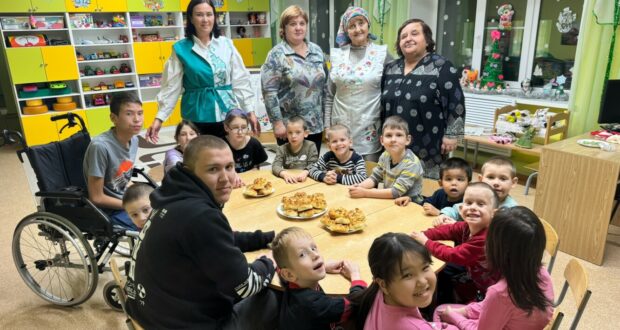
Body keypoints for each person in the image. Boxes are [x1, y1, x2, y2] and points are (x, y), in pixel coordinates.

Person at [125, 136, 278, 329]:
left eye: (229, 167)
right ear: (191, 171)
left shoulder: (174, 196)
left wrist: (264, 238)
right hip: (175, 323)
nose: (225, 178)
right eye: (213, 169)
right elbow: (245, 286)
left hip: (148, 311)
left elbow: (217, 241)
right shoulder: (200, 216)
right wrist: (270, 262)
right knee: (275, 297)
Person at [145, 0, 259, 143]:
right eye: (199, 15)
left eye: (209, 14)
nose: (205, 20)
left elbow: (240, 80)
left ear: (214, 17)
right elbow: (171, 87)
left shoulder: (226, 44)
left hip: (227, 112)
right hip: (196, 114)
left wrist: (250, 111)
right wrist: (159, 118)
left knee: (227, 154)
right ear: (191, 19)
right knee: (200, 157)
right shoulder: (180, 49)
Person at [434, 207, 554, 329]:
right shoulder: (541, 272)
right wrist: (466, 311)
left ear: (497, 249)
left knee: (439, 312)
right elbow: (496, 307)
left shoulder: (499, 293)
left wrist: (454, 317)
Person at [381, 18, 465, 179]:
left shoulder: (442, 66)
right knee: (395, 187)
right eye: (403, 36)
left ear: (427, 40)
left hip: (428, 144)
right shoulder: (390, 68)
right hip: (394, 143)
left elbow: (456, 102)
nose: (408, 38)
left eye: (414, 33)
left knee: (424, 193)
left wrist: (452, 135)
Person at [411, 182, 501, 305]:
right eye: (468, 203)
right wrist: (424, 234)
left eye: (481, 204)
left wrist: (425, 242)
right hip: (478, 280)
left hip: (493, 290)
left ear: (493, 213)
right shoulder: (467, 226)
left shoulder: (485, 238)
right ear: (461, 208)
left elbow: (453, 255)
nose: (473, 207)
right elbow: (448, 230)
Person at [324, 6, 392, 162]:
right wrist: (327, 127)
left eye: (361, 23)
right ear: (346, 30)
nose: (357, 29)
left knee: (367, 177)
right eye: (352, 26)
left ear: (368, 25)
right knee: (341, 175)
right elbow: (329, 95)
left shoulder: (382, 54)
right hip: (340, 129)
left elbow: (394, 88)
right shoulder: (337, 56)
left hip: (369, 127)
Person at [350, 233, 457, 330]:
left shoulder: (378, 293)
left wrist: (355, 277)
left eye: (425, 267)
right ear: (384, 285)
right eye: (407, 275)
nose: (423, 282)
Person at [261, 5, 327, 153]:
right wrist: (277, 123)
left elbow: (325, 86)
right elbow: (269, 92)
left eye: (302, 23)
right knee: (291, 169)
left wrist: (326, 121)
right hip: (289, 128)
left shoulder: (316, 51)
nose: (298, 28)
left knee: (312, 167)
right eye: (293, 24)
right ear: (284, 28)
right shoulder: (276, 54)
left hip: (315, 125)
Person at [271, 227, 367, 329]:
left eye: (313, 248)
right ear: (289, 275)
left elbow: (279, 269)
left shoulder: (290, 282)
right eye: (302, 254)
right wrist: (355, 275)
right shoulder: (315, 304)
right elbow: (356, 305)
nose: (315, 255)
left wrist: (323, 266)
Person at [83, 92, 143, 231]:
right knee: (155, 227)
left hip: (124, 199)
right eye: (129, 114)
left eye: (140, 113)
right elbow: (96, 198)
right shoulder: (100, 147)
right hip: (108, 209)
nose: (137, 119)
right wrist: (131, 205)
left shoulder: (134, 140)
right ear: (113, 118)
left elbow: (122, 176)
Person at [348, 116, 424, 204]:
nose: (393, 139)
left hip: (411, 206)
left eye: (399, 135)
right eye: (388, 135)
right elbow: (375, 178)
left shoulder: (412, 163)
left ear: (407, 140)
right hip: (390, 202)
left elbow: (396, 192)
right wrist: (359, 186)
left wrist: (365, 193)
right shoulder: (385, 155)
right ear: (382, 140)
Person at [437, 156, 518, 224]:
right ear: (480, 179)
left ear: (513, 183)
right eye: (490, 177)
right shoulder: (477, 196)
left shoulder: (512, 211)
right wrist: (445, 214)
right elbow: (457, 209)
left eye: (503, 179)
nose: (496, 183)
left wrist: (457, 225)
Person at [272, 116, 319, 184]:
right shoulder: (281, 149)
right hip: (289, 181)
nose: (293, 136)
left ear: (305, 133)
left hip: (307, 180)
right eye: (290, 132)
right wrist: (284, 173)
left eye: (298, 132)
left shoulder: (311, 146)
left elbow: (314, 164)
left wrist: (305, 172)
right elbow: (275, 166)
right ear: (286, 134)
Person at [223, 108, 268, 173]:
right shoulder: (220, 145)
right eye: (235, 128)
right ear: (226, 127)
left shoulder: (254, 144)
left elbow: (257, 167)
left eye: (244, 127)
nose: (240, 132)